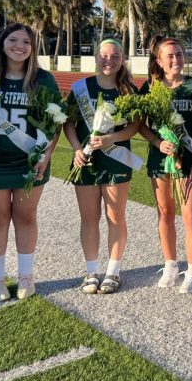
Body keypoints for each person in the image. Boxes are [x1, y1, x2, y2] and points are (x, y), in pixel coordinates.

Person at [0, 23, 61, 302]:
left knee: (25, 217)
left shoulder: (43, 79)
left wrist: (46, 156)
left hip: (30, 161)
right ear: (2, 43)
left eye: (26, 41)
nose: (19, 46)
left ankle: (26, 276)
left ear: (33, 48)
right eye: (13, 40)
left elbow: (55, 122)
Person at [63, 38, 142, 295]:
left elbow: (134, 127)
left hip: (116, 158)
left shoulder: (129, 90)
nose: (109, 60)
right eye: (104, 55)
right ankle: (91, 271)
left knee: (115, 216)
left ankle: (113, 271)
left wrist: (111, 138)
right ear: (96, 57)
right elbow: (69, 123)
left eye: (115, 56)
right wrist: (77, 148)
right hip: (85, 161)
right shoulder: (80, 88)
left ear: (122, 59)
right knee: (89, 218)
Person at [139, 38, 192, 294]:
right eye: (170, 56)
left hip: (187, 159)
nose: (176, 59)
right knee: (165, 213)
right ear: (159, 60)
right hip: (160, 158)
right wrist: (157, 142)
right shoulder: (151, 87)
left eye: (179, 54)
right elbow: (140, 126)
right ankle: (170, 265)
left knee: (190, 217)